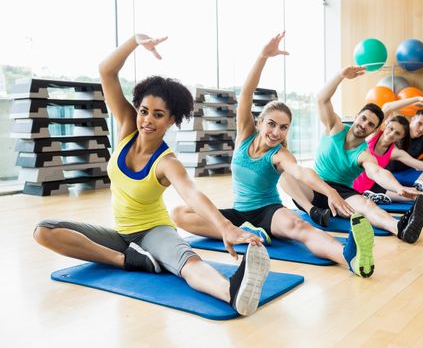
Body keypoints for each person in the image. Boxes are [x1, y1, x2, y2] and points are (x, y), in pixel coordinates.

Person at [32, 33, 271, 317]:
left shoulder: (167, 162)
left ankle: (230, 291)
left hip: (154, 232)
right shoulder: (125, 126)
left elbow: (191, 194)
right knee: (44, 231)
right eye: (144, 111)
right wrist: (134, 41)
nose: (147, 120)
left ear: (171, 120)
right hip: (122, 237)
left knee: (186, 263)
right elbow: (106, 71)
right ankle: (128, 261)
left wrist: (224, 227)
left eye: (158, 115)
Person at [173, 32, 376, 278]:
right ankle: (245, 233)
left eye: (283, 127)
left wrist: (330, 191)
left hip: (268, 211)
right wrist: (262, 57)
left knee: (299, 226)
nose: (276, 132)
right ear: (259, 122)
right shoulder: (244, 134)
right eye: (272, 124)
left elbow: (302, 172)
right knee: (180, 214)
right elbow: (246, 93)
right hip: (240, 215)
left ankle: (348, 256)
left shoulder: (279, 155)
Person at [279, 65, 423, 244]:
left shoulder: (365, 154)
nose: (364, 125)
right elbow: (321, 99)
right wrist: (340, 75)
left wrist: (398, 187)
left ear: (374, 130)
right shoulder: (334, 127)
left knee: (367, 205)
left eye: (370, 125)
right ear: (357, 116)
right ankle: (312, 211)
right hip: (313, 187)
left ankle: (400, 228)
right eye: (363, 118)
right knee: (282, 169)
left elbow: (377, 172)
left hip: (342, 192)